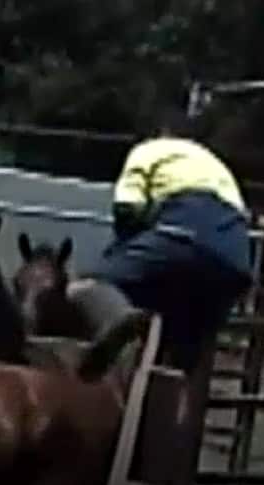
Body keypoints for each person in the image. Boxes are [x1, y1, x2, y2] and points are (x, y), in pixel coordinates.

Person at [70, 109, 254, 374]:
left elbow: (127, 208)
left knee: (89, 284)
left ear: (158, 134)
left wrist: (119, 255)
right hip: (234, 260)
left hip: (181, 231)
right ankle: (174, 392)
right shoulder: (216, 164)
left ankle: (118, 321)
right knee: (181, 346)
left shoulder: (149, 151)